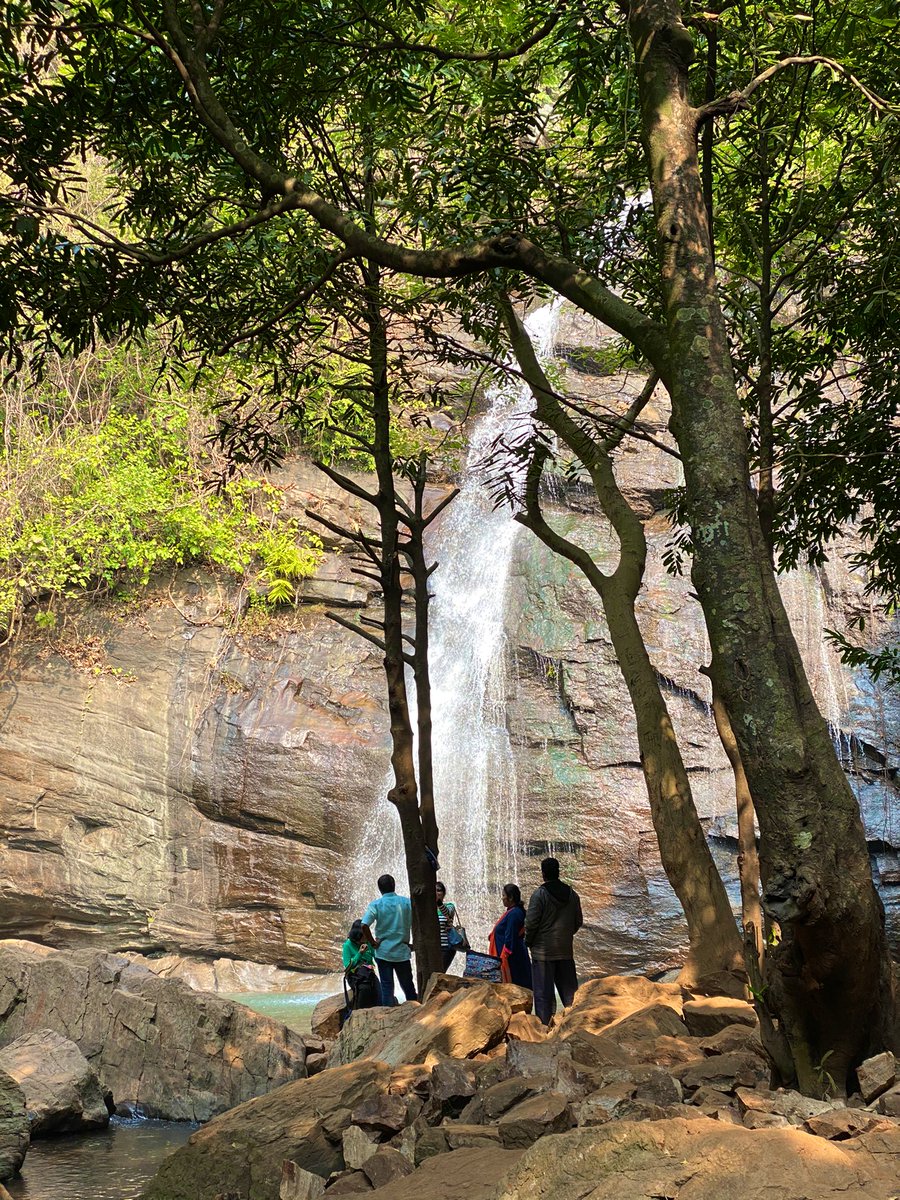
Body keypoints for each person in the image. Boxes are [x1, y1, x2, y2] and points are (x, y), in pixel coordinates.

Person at [525, 856, 583, 1025]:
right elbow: (578, 921)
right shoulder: (573, 895)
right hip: (565, 951)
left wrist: (529, 942)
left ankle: (544, 1029)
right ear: (558, 872)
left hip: (543, 954)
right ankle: (575, 1025)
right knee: (570, 994)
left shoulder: (539, 895)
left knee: (543, 995)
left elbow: (531, 923)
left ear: (543, 874)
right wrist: (565, 935)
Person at [361, 873, 418, 1005]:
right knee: (408, 986)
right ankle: (416, 1013)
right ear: (394, 886)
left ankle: (387, 1017)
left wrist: (373, 943)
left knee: (387, 988)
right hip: (402, 952)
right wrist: (414, 944)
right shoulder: (407, 903)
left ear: (379, 888)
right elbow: (418, 922)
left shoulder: (376, 905)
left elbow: (364, 925)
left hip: (383, 952)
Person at [489, 883, 532, 989]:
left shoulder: (514, 914)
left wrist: (504, 956)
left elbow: (510, 935)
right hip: (513, 955)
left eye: (504, 895)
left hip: (512, 958)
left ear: (511, 897)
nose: (502, 898)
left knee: (516, 984)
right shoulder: (513, 911)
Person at [341, 918, 379, 1017]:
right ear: (358, 935)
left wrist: (377, 946)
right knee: (364, 989)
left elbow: (376, 957)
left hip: (368, 974)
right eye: (364, 934)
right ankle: (359, 1016)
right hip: (355, 975)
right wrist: (359, 953)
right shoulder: (347, 945)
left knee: (380, 993)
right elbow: (348, 966)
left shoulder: (368, 942)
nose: (367, 936)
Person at [436, 881, 461, 971]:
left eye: (439, 890)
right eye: (434, 890)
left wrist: (438, 902)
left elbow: (447, 914)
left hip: (446, 947)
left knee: (440, 973)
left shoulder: (449, 906)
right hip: (432, 948)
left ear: (444, 893)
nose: (436, 893)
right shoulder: (428, 908)